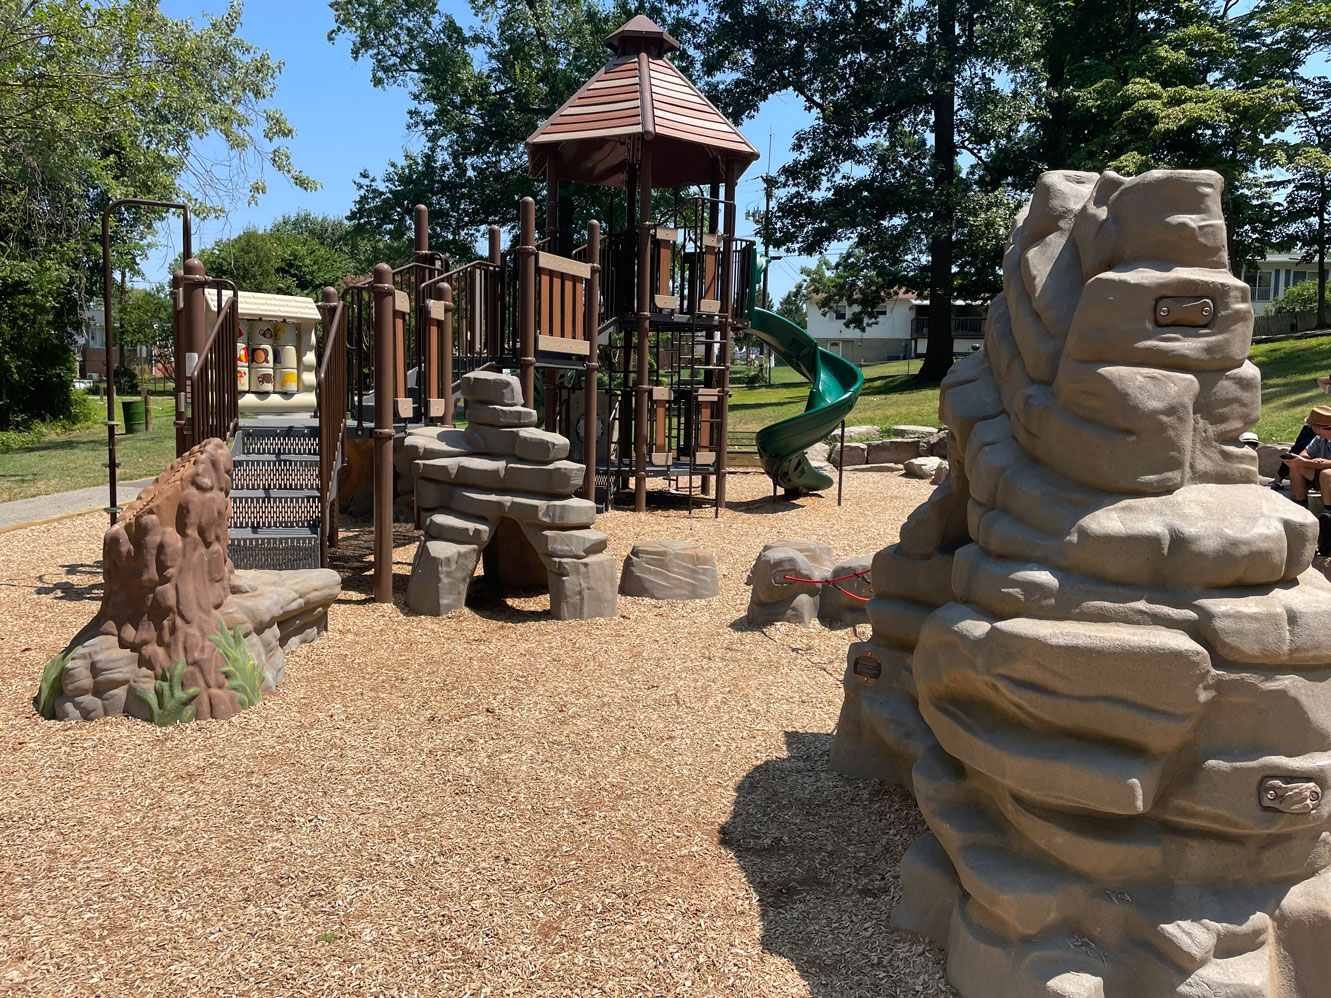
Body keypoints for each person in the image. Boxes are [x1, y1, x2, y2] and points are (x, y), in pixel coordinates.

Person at [1282, 406, 1331, 509]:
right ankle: (1301, 504)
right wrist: (1306, 460)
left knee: (1326, 474)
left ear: (1316, 428)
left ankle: (1328, 511)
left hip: (1327, 476)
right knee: (1295, 466)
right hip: (1320, 474)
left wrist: (1307, 462)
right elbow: (1305, 452)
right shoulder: (1319, 438)